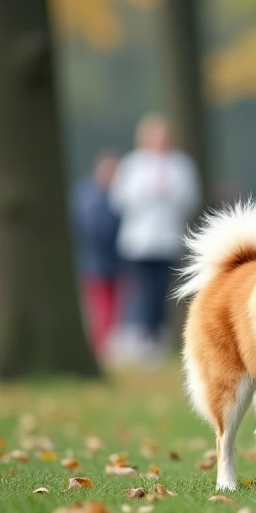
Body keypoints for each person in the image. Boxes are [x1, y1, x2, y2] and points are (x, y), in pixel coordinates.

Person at [110, 114, 201, 351]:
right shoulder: (133, 164)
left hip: (167, 238)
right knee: (143, 289)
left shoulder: (181, 164)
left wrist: (168, 193)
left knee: (162, 288)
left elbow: (190, 199)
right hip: (139, 239)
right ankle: (145, 334)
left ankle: (158, 333)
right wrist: (148, 192)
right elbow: (119, 198)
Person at [71, 150, 123, 357]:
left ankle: (103, 343)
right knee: (99, 304)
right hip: (94, 260)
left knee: (112, 304)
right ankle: (98, 345)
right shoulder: (87, 196)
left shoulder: (118, 193)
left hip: (114, 261)